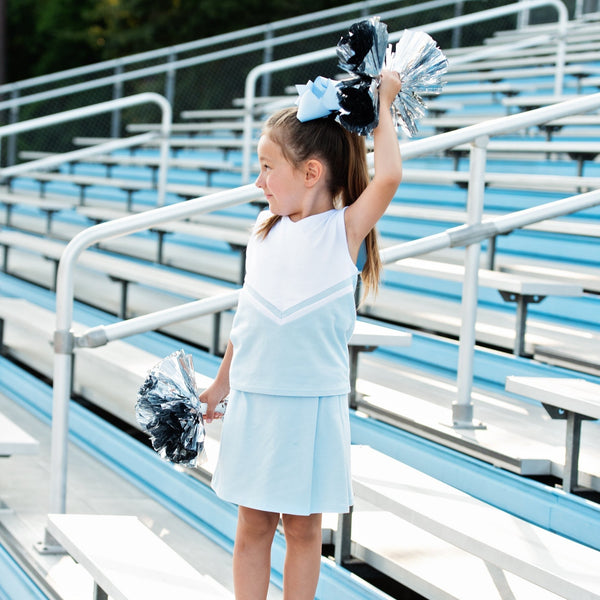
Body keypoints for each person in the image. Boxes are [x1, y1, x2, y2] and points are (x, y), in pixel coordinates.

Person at [200, 69, 402, 600]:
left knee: (305, 529)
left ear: (311, 172)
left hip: (310, 403)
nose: (259, 182)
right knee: (252, 525)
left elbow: (388, 178)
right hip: (256, 397)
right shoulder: (262, 234)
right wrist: (222, 384)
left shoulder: (342, 232)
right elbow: (250, 319)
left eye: (268, 168)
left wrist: (382, 107)